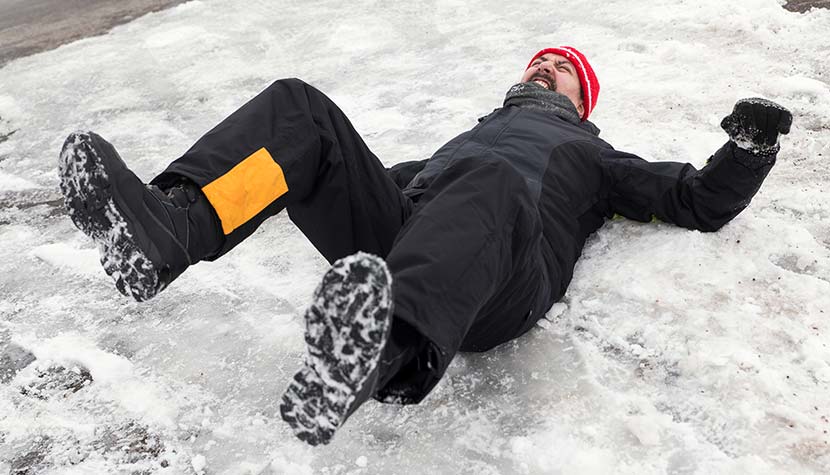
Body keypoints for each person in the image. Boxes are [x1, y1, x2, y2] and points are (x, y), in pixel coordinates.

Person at [58, 45, 793, 445]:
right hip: (413, 242)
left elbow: (696, 199)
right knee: (301, 111)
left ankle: (382, 347)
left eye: (563, 68)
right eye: (538, 62)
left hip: (505, 279)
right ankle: (169, 231)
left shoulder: (595, 156)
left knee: (492, 180)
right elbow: (342, 178)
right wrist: (304, 165)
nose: (545, 67)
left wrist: (749, 147)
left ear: (582, 101)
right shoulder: (462, 143)